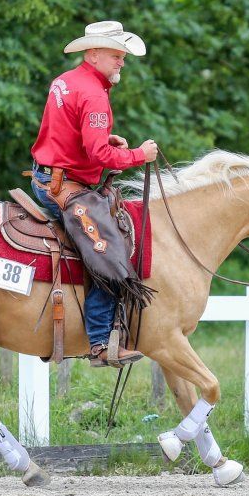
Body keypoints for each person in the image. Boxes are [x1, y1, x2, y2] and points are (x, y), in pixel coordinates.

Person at [29, 21, 158, 367]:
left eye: (123, 56)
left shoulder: (66, 81)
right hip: (64, 187)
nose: (122, 62)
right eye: (117, 55)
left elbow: (66, 132)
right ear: (95, 53)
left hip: (47, 175)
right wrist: (138, 156)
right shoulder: (94, 94)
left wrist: (103, 141)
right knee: (110, 254)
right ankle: (100, 342)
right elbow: (101, 156)